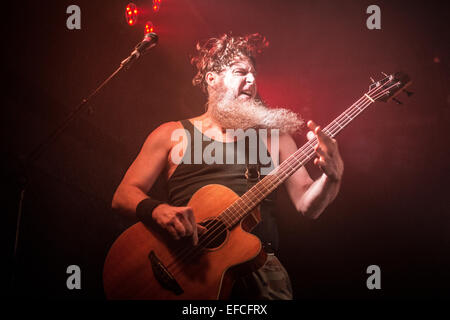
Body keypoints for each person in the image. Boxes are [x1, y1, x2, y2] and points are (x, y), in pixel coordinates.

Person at [111, 33, 344, 300]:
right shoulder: (170, 134)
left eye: (254, 74)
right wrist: (158, 210)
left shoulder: (276, 138)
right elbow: (124, 195)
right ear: (212, 79)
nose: (252, 80)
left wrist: (332, 178)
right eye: (240, 72)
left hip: (259, 270)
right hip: (184, 270)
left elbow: (307, 204)